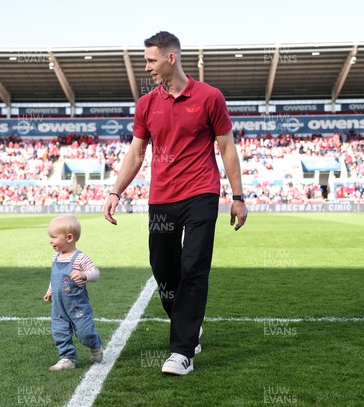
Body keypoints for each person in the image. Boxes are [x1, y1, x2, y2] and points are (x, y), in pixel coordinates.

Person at [103, 31, 248, 376]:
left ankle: (182, 352)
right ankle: (188, 324)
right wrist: (115, 191)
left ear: (171, 59)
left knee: (194, 268)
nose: (147, 67)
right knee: (163, 269)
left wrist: (238, 197)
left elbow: (226, 147)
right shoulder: (146, 104)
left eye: (151, 60)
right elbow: (136, 153)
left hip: (202, 194)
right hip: (162, 198)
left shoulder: (210, 97)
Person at [43, 214, 103, 371]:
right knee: (60, 333)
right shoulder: (56, 257)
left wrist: (84, 275)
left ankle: (95, 345)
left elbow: (95, 273)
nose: (50, 240)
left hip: (78, 307)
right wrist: (50, 291)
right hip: (59, 307)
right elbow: (55, 278)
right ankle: (67, 358)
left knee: (85, 333)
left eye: (54, 237)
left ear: (69, 237)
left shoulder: (80, 258)